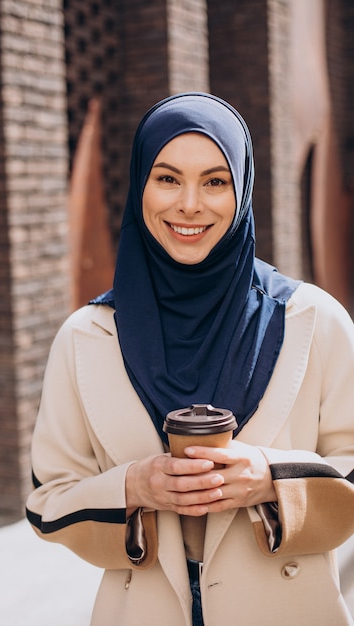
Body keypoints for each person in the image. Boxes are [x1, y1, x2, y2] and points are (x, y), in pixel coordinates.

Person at [26, 92, 354, 625]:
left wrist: (272, 479)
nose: (190, 204)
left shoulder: (313, 320)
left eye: (215, 181)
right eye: (168, 178)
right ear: (139, 187)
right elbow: (47, 501)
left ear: (242, 191)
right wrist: (135, 486)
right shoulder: (86, 337)